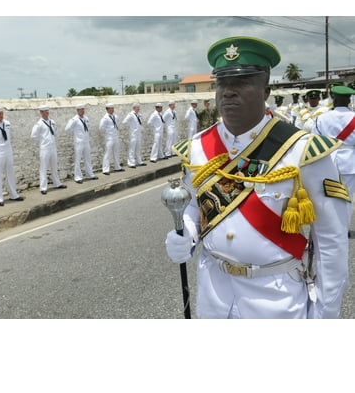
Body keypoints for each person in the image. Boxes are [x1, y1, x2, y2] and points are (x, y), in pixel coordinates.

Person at [165, 36, 349, 319]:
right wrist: (187, 234)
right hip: (213, 291)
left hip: (275, 296)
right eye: (223, 84)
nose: (228, 92)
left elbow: (331, 241)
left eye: (241, 83)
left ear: (266, 90)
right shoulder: (198, 147)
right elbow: (194, 204)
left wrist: (325, 314)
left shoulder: (302, 150)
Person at [312, 85, 355, 226]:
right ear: (349, 101)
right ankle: (344, 228)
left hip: (327, 160)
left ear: (334, 99)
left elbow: (315, 141)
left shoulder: (321, 118)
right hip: (350, 163)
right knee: (347, 197)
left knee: (327, 196)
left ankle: (329, 226)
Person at [30, 105, 67, 194]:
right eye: (45, 111)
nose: (47, 112)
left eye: (47, 111)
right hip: (45, 148)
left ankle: (57, 183)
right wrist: (43, 141)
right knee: (44, 168)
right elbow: (33, 136)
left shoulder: (52, 122)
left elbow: (55, 131)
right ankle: (43, 187)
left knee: (54, 166)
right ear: (41, 112)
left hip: (52, 147)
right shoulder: (39, 124)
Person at [64, 104, 98, 184]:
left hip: (86, 141)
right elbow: (67, 129)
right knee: (78, 159)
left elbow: (87, 128)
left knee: (88, 158)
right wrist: (75, 135)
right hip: (79, 142)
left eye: (83, 109)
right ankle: (78, 177)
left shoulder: (86, 118)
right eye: (81, 109)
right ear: (77, 110)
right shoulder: (74, 119)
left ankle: (90, 175)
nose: (83, 111)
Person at [99, 103, 124, 175]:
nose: (112, 109)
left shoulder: (115, 116)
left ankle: (117, 167)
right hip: (109, 137)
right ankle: (105, 169)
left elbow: (117, 124)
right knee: (108, 153)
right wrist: (107, 132)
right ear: (107, 109)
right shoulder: (105, 118)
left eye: (113, 108)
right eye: (111, 108)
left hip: (115, 136)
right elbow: (101, 128)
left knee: (116, 152)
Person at [122, 102, 146, 168]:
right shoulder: (131, 115)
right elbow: (124, 122)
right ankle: (131, 162)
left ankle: (139, 161)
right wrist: (131, 127)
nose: (139, 108)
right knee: (132, 148)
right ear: (134, 108)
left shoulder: (139, 115)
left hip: (138, 133)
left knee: (138, 148)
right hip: (133, 134)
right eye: (137, 107)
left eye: (139, 107)